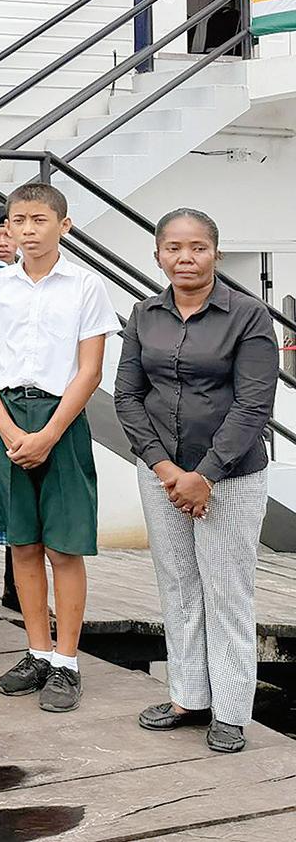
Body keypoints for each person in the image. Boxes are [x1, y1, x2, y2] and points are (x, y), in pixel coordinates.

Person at [115, 209, 277, 755]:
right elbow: (127, 396)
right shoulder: (144, 314)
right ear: (158, 254)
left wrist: (205, 475)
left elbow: (254, 403)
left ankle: (230, 711)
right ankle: (188, 697)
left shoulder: (249, 316)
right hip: (162, 474)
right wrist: (165, 469)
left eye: (198, 248)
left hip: (230, 476)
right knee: (179, 586)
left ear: (216, 253)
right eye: (174, 248)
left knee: (227, 592)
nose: (185, 258)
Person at [0, 182, 118, 714]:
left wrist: (49, 434)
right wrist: (7, 429)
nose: (27, 231)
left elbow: (90, 370)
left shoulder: (85, 286)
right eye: (18, 221)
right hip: (7, 417)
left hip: (61, 419)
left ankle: (67, 661)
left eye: (39, 220)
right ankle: (37, 651)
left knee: (64, 546)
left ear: (64, 226)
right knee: (23, 543)